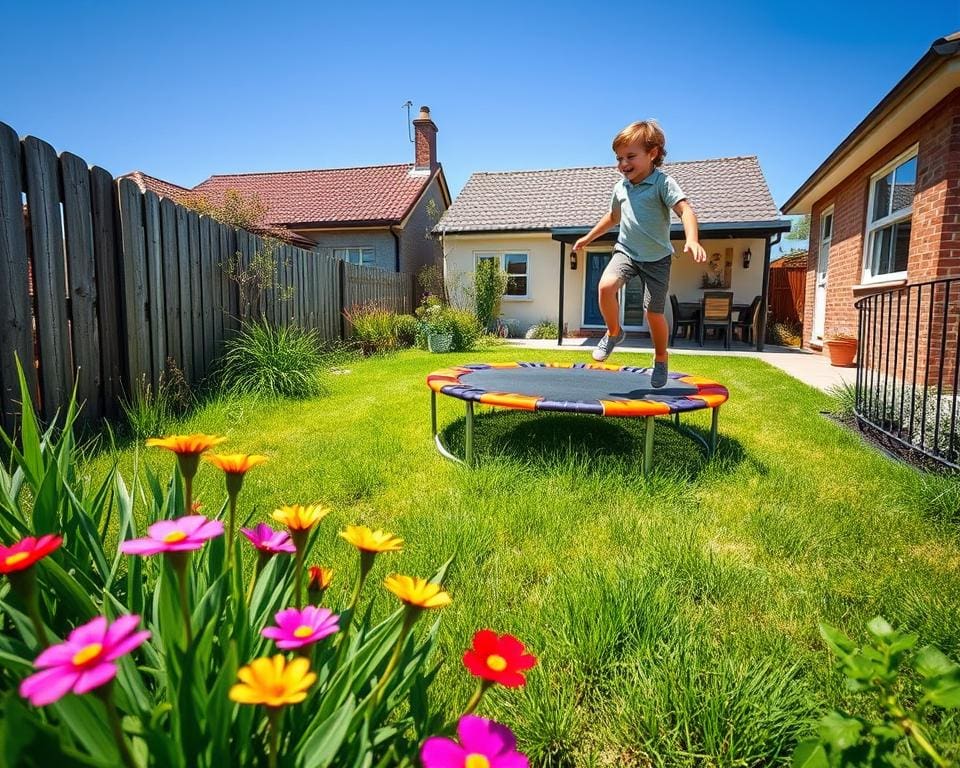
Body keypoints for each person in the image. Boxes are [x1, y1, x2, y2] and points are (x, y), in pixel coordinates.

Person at [573, 120, 706, 388]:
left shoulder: (663, 183)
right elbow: (613, 217)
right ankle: (614, 333)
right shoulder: (620, 187)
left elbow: (686, 211)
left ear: (653, 153)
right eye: (619, 158)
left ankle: (660, 358)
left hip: (657, 258)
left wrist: (692, 239)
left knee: (652, 314)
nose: (623, 164)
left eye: (630, 157)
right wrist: (588, 238)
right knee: (605, 287)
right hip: (627, 251)